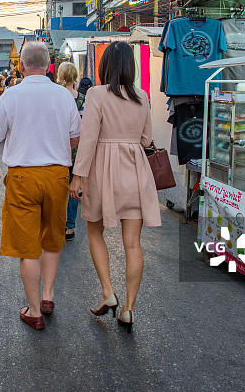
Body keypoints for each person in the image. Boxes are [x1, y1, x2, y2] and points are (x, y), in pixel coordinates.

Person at [0, 42, 81, 331]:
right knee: (52, 237)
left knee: (28, 248)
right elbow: (76, 137)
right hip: (57, 175)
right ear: (49, 65)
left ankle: (34, 310)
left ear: (21, 66)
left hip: (23, 176)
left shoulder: (11, 95)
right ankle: (49, 296)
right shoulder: (63, 95)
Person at [69, 41, 161, 332]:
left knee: (94, 230)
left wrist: (77, 175)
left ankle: (108, 291)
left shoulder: (96, 94)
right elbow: (147, 139)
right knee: (133, 243)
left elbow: (89, 139)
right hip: (135, 171)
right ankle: (129, 309)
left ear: (105, 66)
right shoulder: (142, 96)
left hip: (102, 172)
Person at [57, 62, 84, 241]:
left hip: (58, 148)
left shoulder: (56, 96)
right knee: (74, 188)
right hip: (77, 149)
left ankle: (56, 222)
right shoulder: (83, 98)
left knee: (58, 188)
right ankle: (70, 226)